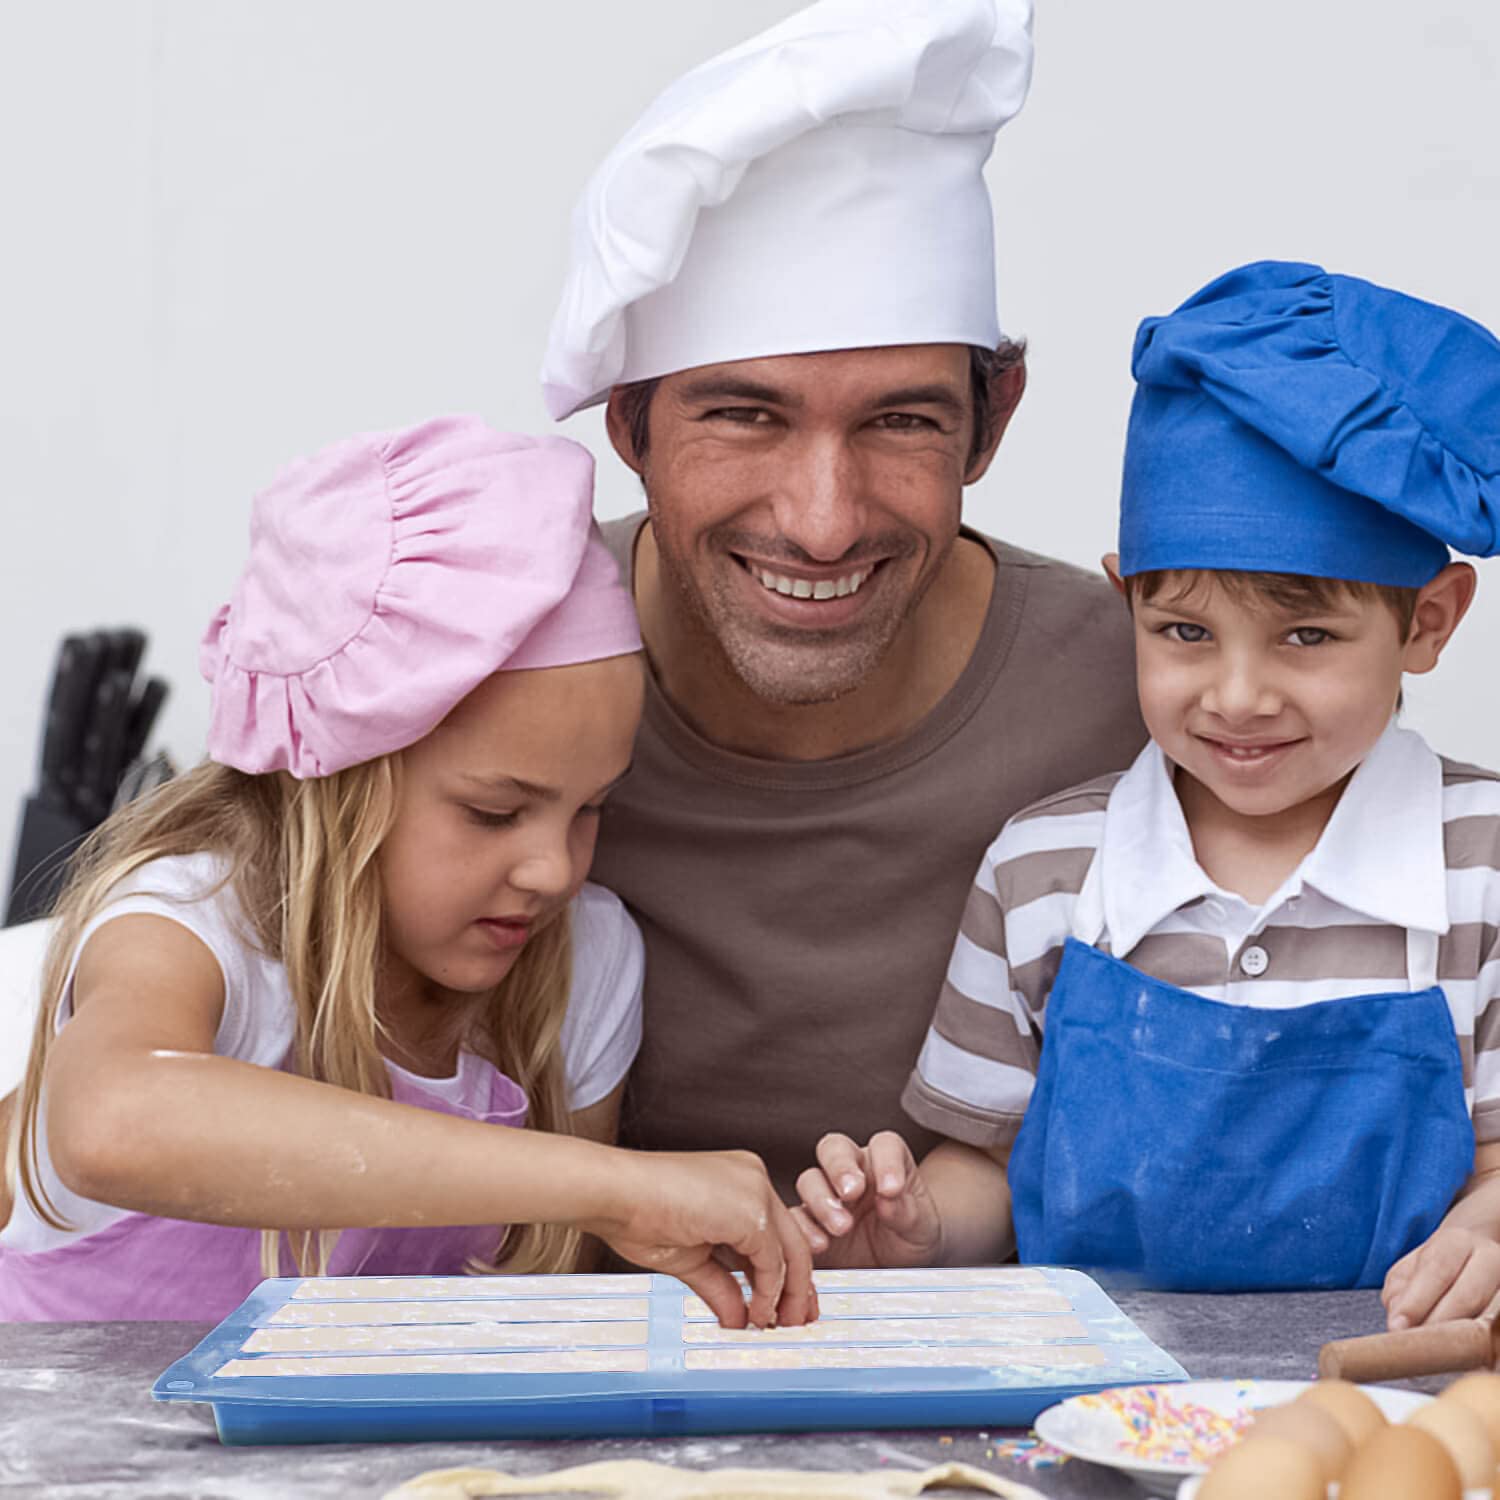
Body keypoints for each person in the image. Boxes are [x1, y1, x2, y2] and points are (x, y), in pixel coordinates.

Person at [794, 260, 1500, 1327]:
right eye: (1184, 633)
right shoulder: (1044, 869)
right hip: (1081, 1397)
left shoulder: (1482, 864)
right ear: (1125, 597)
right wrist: (918, 1231)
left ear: (1430, 623)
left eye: (1307, 636)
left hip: (1392, 1405)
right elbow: (989, 1162)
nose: (1239, 695)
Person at [0, 415, 815, 1329]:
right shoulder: (197, 922)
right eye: (494, 813)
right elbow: (110, 1122)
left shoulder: (585, 965)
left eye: (592, 808)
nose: (552, 869)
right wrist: (614, 1186)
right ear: (339, 782)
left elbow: (533, 1319)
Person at [539, 0, 1146, 1199]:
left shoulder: (1156, 703)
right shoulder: (490, 660)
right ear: (629, 424)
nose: (823, 519)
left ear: (995, 418)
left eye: (902, 420)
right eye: (744, 415)